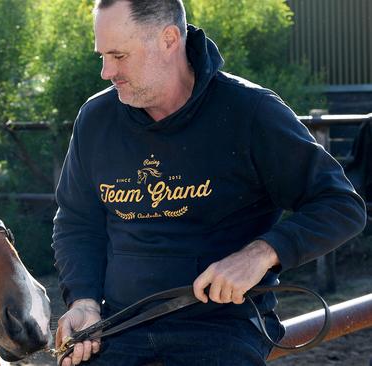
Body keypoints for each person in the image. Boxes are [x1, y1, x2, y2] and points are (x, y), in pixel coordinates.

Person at [52, 1, 367, 365]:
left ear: (169, 40)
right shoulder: (96, 118)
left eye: (119, 55)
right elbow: (77, 222)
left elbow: (341, 205)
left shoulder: (250, 112)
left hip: (222, 328)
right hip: (119, 326)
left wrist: (259, 255)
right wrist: (83, 301)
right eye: (102, 55)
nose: (107, 71)